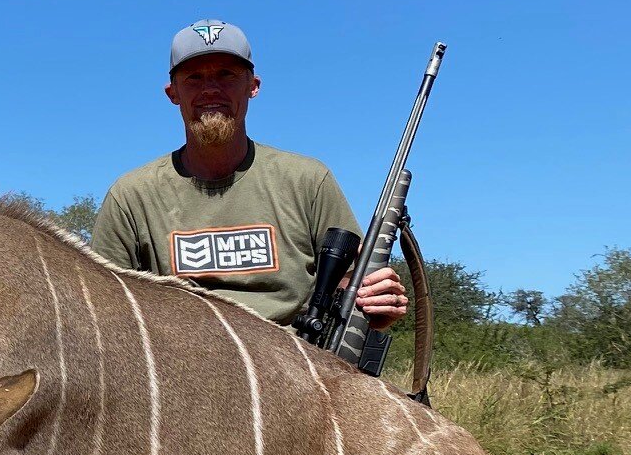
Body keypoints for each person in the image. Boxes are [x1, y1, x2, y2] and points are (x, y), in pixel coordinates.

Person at [88, 20, 408, 328]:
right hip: (177, 371)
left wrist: (378, 301)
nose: (211, 89)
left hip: (297, 365)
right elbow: (104, 311)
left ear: (252, 87)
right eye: (194, 77)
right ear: (173, 93)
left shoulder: (308, 180)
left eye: (226, 75)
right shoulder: (131, 196)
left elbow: (353, 286)